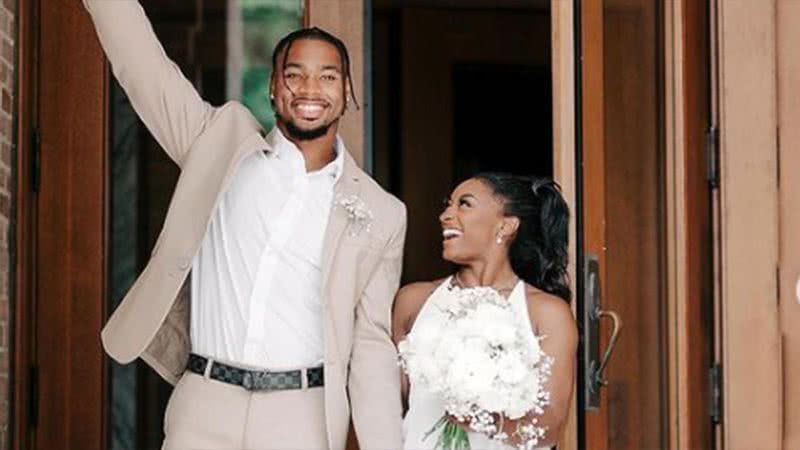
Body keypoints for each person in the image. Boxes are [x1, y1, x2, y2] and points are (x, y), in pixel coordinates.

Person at [82, 1, 406, 449]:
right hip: (204, 401)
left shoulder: (382, 212)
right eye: (294, 75)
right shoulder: (216, 144)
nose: (310, 88)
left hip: (301, 415)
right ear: (274, 87)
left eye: (328, 76)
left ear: (347, 90)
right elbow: (143, 67)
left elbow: (372, 347)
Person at [393, 174, 577, 450]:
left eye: (464, 204)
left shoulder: (546, 312)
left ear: (506, 225)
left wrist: (479, 417)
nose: (445, 215)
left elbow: (549, 427)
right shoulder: (414, 301)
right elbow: (390, 405)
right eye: (448, 205)